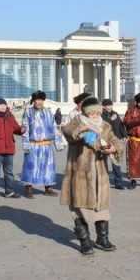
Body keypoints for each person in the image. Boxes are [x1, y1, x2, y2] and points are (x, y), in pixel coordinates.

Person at [61, 97, 124, 255]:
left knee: (101, 208)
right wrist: (85, 128)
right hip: (80, 173)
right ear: (85, 113)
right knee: (80, 208)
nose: (95, 116)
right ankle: (85, 241)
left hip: (99, 174)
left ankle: (102, 239)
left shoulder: (105, 125)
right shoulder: (77, 122)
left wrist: (113, 148)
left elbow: (115, 140)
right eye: (92, 113)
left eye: (97, 113)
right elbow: (68, 132)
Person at [20, 91, 59, 198]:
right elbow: (25, 129)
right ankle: (28, 189)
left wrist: (58, 142)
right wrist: (26, 145)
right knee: (31, 167)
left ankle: (48, 188)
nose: (39, 102)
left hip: (47, 145)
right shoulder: (28, 112)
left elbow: (54, 127)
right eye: (37, 100)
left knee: (48, 167)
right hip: (34, 144)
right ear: (34, 100)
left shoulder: (49, 112)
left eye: (41, 100)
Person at [101, 98, 128, 190]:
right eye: (107, 105)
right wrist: (111, 120)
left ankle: (118, 182)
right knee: (102, 162)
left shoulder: (115, 113)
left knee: (116, 162)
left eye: (111, 105)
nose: (109, 107)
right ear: (103, 106)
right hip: (104, 141)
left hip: (115, 140)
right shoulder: (100, 115)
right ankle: (102, 182)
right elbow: (102, 125)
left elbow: (120, 125)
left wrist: (124, 135)